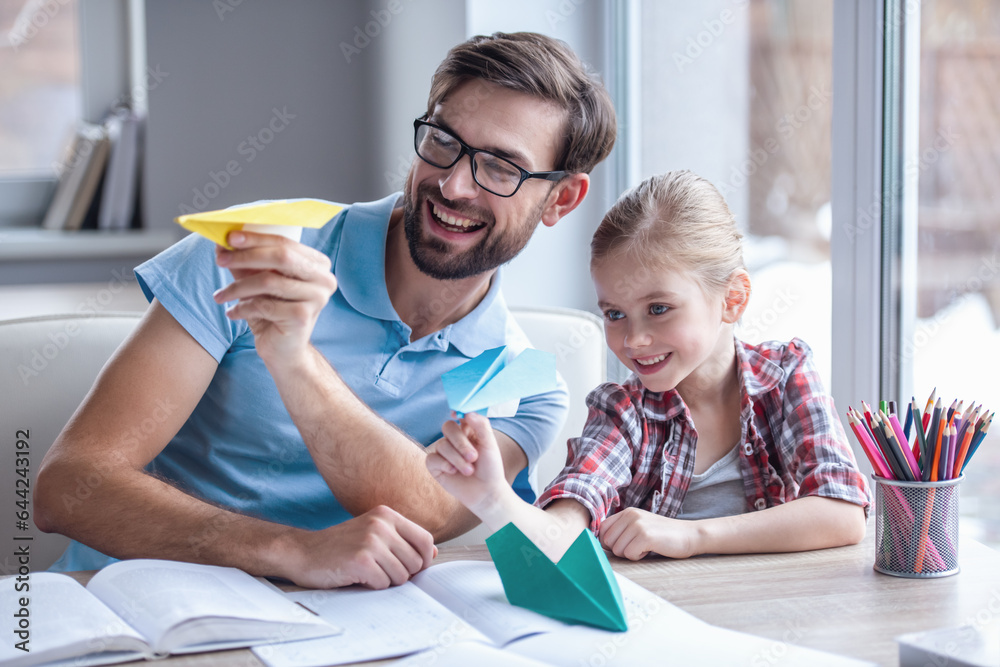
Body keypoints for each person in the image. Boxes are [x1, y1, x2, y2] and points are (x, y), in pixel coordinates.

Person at [34, 32, 617, 588]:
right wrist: (290, 550)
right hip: (118, 607)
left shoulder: (525, 382)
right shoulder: (252, 250)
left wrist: (295, 360)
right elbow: (67, 488)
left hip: (321, 630)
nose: (455, 186)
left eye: (500, 168)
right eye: (443, 142)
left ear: (560, 199)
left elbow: (432, 513)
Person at [427, 170, 871, 563]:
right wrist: (494, 498)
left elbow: (842, 512)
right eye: (615, 314)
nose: (634, 340)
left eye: (659, 308)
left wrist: (692, 535)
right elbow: (566, 526)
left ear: (732, 299)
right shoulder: (623, 412)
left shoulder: (786, 376)